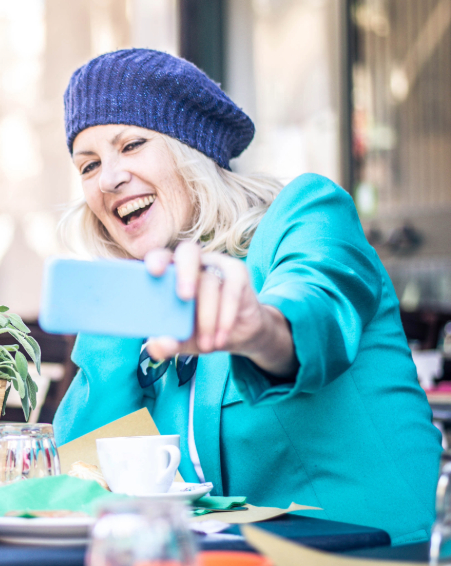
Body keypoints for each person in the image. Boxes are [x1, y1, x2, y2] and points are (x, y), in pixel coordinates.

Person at [53, 48, 441, 545]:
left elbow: (316, 312)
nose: (108, 178)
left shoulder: (305, 214)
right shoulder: (147, 296)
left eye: (131, 145)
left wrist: (257, 327)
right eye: (88, 166)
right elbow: (80, 486)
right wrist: (117, 305)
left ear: (191, 150)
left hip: (383, 553)